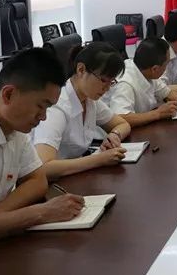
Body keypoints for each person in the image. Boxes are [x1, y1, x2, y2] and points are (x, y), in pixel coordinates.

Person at [0, 49, 85, 245]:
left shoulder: (15, 127)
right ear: (9, 94)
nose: (43, 117)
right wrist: (39, 213)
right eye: (40, 106)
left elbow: (37, 180)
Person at [33, 42, 132, 180]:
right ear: (81, 70)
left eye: (111, 82)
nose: (107, 88)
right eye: (103, 80)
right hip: (53, 183)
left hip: (76, 176)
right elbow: (44, 167)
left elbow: (122, 124)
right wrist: (100, 159)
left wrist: (114, 135)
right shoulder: (58, 106)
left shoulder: (89, 99)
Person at [108, 38, 177, 128]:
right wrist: (158, 113)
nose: (166, 68)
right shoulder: (125, 84)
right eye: (166, 64)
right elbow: (120, 118)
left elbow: (165, 92)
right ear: (155, 69)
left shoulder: (146, 69)